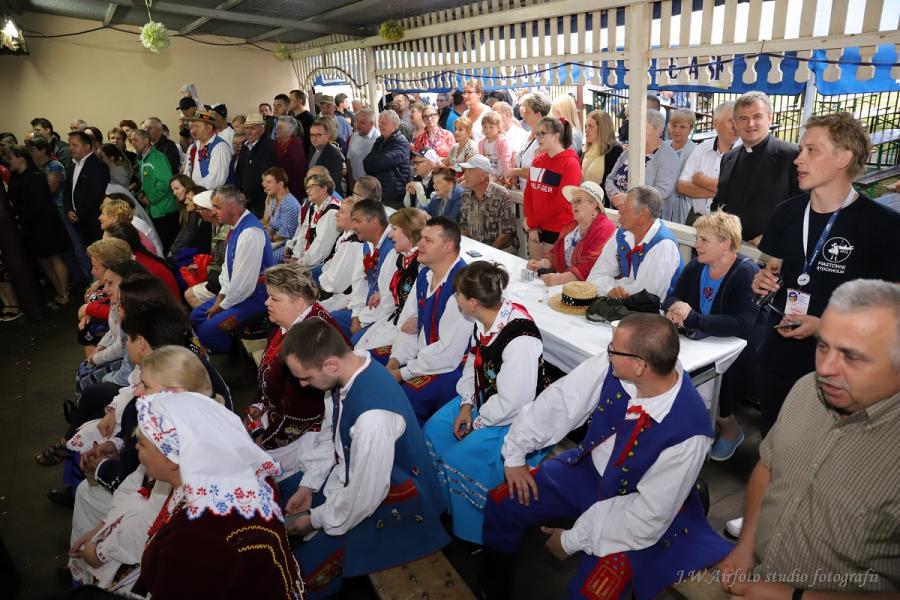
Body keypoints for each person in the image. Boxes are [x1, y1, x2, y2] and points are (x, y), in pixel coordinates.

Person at [482, 313, 733, 600]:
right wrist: (515, 453)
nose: (608, 352)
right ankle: (493, 589)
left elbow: (646, 517)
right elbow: (561, 401)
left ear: (640, 366)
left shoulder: (691, 432)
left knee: (593, 593)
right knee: (503, 501)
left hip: (637, 508)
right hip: (587, 471)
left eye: (614, 348)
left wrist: (570, 540)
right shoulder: (614, 364)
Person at [718, 280, 900, 598]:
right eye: (823, 346)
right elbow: (768, 468)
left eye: (851, 357)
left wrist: (795, 596)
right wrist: (746, 546)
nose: (825, 369)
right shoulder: (806, 388)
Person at [750, 111, 900, 437]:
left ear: (842, 158)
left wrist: (823, 328)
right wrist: (762, 282)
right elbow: (774, 271)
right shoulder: (786, 213)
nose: (798, 159)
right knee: (773, 445)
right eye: (801, 149)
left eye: (811, 150)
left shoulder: (885, 227)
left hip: (842, 372)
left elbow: (893, 318)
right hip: (778, 358)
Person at [279, 319, 448, 598]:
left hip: (396, 499)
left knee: (297, 579)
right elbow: (333, 437)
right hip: (360, 478)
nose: (302, 384)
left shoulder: (373, 419)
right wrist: (308, 486)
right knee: (280, 498)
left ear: (330, 365)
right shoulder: (350, 366)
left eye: (305, 377)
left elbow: (365, 495)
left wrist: (315, 519)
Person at [130, 391, 305, 598]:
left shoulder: (193, 535)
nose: (136, 447)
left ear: (172, 457)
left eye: (142, 444)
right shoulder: (227, 479)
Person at [423, 261, 548, 543]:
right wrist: (466, 405)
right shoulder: (485, 320)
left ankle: (478, 531)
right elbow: (475, 362)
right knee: (433, 431)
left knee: (458, 459)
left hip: (513, 418)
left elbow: (513, 403)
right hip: (483, 400)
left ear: (473, 302)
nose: (455, 298)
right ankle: (444, 504)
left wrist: (477, 423)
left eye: (458, 294)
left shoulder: (520, 339)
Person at [663, 211, 761, 461]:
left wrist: (692, 318)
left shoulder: (746, 272)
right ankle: (692, 431)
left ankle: (730, 429)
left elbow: (742, 323)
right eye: (698, 237)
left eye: (704, 239)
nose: (697, 244)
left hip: (742, 347)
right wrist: (674, 308)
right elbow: (672, 296)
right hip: (703, 339)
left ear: (726, 244)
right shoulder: (697, 266)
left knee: (711, 381)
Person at [249, 263, 344, 498]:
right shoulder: (289, 323)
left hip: (305, 430)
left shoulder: (311, 344)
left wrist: (265, 440)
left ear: (299, 303)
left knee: (252, 468)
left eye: (274, 298)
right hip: (278, 411)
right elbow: (269, 368)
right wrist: (259, 403)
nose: (266, 303)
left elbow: (302, 412)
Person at [385, 217, 470, 422]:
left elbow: (448, 354)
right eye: (421, 238)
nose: (419, 244)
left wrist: (402, 373)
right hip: (423, 358)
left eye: (428, 240)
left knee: (394, 403)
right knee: (364, 365)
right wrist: (395, 360)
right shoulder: (425, 275)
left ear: (448, 246)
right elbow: (406, 325)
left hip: (451, 370)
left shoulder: (462, 285)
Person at [189, 186, 274, 353]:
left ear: (232, 207)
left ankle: (232, 354)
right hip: (240, 294)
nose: (213, 212)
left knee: (206, 332)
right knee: (195, 316)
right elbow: (227, 269)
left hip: (256, 297)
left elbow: (243, 286)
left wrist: (222, 306)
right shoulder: (235, 226)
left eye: (217, 207)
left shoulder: (250, 233)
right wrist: (221, 297)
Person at [712, 91, 800, 245]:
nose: (750, 124)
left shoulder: (791, 155)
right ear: (735, 123)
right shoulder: (729, 157)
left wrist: (775, 236)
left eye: (757, 117)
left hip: (770, 250)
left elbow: (801, 206)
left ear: (770, 118)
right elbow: (719, 202)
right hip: (729, 246)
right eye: (743, 118)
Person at [587, 185, 683, 300]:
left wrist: (615, 286)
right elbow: (594, 278)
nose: (620, 211)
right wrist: (609, 291)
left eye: (626, 207)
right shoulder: (621, 234)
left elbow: (646, 296)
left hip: (662, 310)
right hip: (624, 306)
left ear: (643, 213)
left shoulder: (663, 245)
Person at [354, 207, 427, 356]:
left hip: (408, 330)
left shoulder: (421, 265)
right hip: (394, 318)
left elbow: (419, 305)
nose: (390, 234)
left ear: (408, 231)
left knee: (364, 354)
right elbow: (394, 291)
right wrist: (382, 294)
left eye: (394, 229)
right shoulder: (402, 258)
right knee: (358, 346)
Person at [6, 145, 71, 304]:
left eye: (10, 157)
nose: (8, 161)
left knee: (54, 258)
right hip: (30, 226)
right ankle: (59, 291)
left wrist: (21, 216)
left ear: (21, 158)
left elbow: (38, 204)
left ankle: (64, 293)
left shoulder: (34, 176)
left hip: (45, 224)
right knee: (43, 261)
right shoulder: (15, 177)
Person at [331, 199, 399, 342]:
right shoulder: (367, 244)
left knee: (356, 343)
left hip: (383, 316)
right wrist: (356, 315)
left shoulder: (393, 248)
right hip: (367, 310)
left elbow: (388, 300)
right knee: (328, 321)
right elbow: (359, 282)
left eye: (357, 221)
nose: (353, 226)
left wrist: (361, 320)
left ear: (374, 222)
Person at [527, 182, 616, 287]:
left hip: (591, 290)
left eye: (578, 201)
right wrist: (542, 263)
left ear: (594, 204)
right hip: (568, 287)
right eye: (572, 202)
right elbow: (555, 254)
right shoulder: (572, 226)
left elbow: (589, 265)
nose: (573, 205)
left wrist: (559, 279)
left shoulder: (605, 228)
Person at [605, 109, 681, 222]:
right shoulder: (629, 152)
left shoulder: (668, 156)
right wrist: (615, 196)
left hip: (646, 221)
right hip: (617, 215)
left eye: (644, 127)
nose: (638, 131)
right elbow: (610, 179)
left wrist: (628, 200)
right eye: (637, 126)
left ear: (658, 130)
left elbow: (661, 192)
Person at [523, 116, 580, 259]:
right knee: (534, 269)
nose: (538, 138)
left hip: (557, 229)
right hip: (535, 229)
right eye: (537, 134)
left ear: (556, 135)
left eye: (542, 133)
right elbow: (528, 193)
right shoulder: (537, 161)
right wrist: (532, 225)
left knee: (551, 271)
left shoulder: (571, 163)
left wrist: (532, 221)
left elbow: (561, 201)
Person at [677, 101, 740, 219]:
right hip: (696, 218)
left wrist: (701, 180)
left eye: (738, 120)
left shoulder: (746, 153)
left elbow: (740, 192)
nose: (735, 126)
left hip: (727, 223)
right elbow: (682, 186)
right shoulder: (702, 148)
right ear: (716, 124)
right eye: (731, 121)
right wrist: (724, 193)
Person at [130, 129, 180, 252]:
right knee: (161, 246)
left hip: (165, 210)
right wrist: (142, 193)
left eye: (135, 140)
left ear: (146, 140)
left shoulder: (157, 157)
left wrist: (150, 198)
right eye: (131, 140)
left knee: (169, 247)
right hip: (155, 210)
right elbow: (148, 182)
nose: (133, 143)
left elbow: (166, 182)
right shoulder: (143, 159)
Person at [104, 222, 179, 298]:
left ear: (121, 247)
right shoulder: (136, 259)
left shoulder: (139, 269)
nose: (103, 249)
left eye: (105, 245)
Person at [459, 155, 517, 250]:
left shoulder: (502, 195)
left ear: (482, 177)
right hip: (475, 249)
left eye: (469, 171)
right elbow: (464, 227)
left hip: (500, 250)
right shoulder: (465, 194)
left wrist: (487, 253)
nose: (465, 175)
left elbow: (506, 234)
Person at [317, 195, 364, 313]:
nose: (336, 214)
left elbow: (335, 284)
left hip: (342, 297)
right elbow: (330, 266)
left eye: (342, 212)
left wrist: (318, 287)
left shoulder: (352, 244)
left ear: (354, 219)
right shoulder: (346, 237)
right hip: (331, 285)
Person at [64, 130, 110, 247]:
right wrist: (68, 209)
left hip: (94, 222)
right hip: (78, 222)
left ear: (87, 146)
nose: (70, 148)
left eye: (75, 145)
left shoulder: (98, 166)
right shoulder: (72, 166)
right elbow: (67, 192)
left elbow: (97, 195)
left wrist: (79, 214)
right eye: (69, 145)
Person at [290, 172, 341, 271]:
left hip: (326, 265)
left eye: (311, 187)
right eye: (307, 188)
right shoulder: (314, 207)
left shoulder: (332, 212)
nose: (307, 190)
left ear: (324, 188)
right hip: (311, 260)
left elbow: (321, 249)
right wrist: (296, 256)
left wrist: (299, 264)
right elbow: (303, 233)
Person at [363, 110, 411, 210]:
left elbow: (383, 162)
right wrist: (376, 161)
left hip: (395, 196)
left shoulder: (400, 142)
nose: (380, 126)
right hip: (380, 192)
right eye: (379, 122)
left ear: (394, 125)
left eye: (383, 123)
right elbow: (366, 162)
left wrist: (375, 161)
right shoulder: (380, 140)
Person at [234, 113, 277, 217]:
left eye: (252, 128)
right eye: (247, 128)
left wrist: (247, 195)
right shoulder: (245, 145)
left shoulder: (269, 147)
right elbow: (240, 171)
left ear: (262, 129)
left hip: (260, 201)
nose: (249, 131)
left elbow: (265, 175)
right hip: (245, 199)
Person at [662, 108, 698, 224]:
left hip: (684, 205)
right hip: (661, 203)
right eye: (674, 125)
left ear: (690, 128)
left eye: (682, 127)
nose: (677, 130)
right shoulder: (662, 147)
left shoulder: (696, 151)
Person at [509, 93, 551, 191]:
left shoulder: (545, 140)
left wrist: (515, 172)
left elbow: (540, 173)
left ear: (538, 115)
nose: (523, 114)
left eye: (527, 111)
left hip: (536, 192)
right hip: (523, 191)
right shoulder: (526, 135)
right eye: (523, 110)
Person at [167, 175, 211, 264]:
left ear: (186, 187)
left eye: (177, 188)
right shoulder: (186, 207)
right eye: (173, 190)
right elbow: (184, 231)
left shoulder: (199, 210)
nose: (174, 193)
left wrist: (173, 252)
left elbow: (190, 235)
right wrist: (172, 250)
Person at [260, 167, 301, 263]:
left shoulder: (289, 204)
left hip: (288, 247)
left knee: (262, 258)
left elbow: (285, 234)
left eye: (269, 182)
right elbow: (272, 225)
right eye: (265, 182)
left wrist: (269, 238)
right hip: (277, 242)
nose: (264, 185)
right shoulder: (275, 200)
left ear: (281, 184)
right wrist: (269, 232)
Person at [184, 110, 233, 191]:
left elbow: (215, 181)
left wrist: (195, 190)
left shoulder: (219, 147)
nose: (193, 130)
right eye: (192, 127)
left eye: (197, 126)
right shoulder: (193, 147)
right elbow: (187, 171)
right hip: (196, 193)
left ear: (209, 128)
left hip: (216, 195)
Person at [581, 110, 624, 195]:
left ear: (602, 129)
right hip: (583, 197)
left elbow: (610, 183)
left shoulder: (614, 150)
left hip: (602, 199)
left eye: (590, 126)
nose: (586, 130)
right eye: (585, 126)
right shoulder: (585, 149)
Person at [274, 115, 309, 199]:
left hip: (292, 193)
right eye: (276, 127)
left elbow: (298, 175)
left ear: (289, 132)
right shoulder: (276, 144)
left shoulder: (295, 148)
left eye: (280, 128)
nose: (276, 130)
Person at [307, 117, 345, 195]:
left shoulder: (334, 156)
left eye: (318, 135)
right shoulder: (313, 150)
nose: (314, 138)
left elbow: (332, 184)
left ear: (327, 135)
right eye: (312, 135)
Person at [346, 108, 378, 189]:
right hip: (355, 183)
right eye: (357, 121)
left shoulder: (378, 139)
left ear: (371, 123)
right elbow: (349, 159)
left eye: (362, 122)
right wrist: (350, 180)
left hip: (372, 186)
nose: (357, 125)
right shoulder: (354, 136)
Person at [478, 111, 514, 180]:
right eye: (485, 127)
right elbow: (481, 161)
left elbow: (506, 161)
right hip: (487, 173)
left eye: (491, 127)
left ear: (498, 127)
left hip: (499, 175)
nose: (487, 130)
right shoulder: (481, 142)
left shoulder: (502, 142)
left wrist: (508, 177)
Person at [288, 89, 316, 154]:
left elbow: (311, 142)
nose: (288, 102)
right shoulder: (293, 118)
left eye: (290, 100)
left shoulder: (309, 119)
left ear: (300, 101)